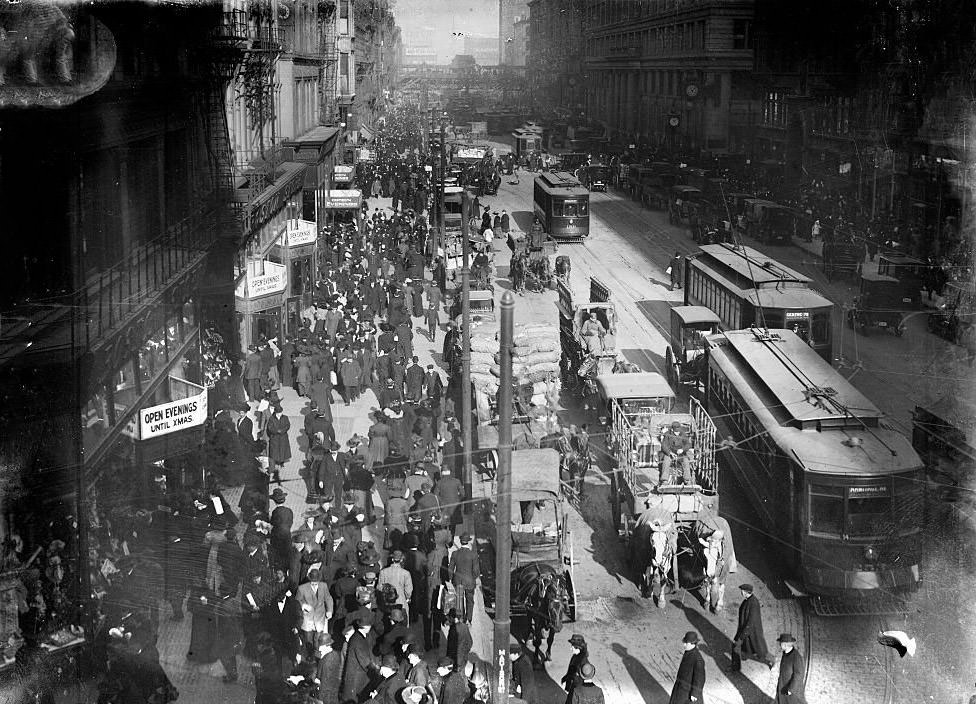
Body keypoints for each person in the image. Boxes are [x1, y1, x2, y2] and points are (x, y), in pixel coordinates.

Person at [731, 583, 773, 670]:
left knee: (737, 646)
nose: (741, 593)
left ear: (746, 592)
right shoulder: (748, 600)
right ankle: (743, 657)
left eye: (742, 591)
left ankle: (771, 660)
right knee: (753, 649)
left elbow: (751, 622)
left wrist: (742, 635)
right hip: (748, 631)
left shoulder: (753, 603)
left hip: (751, 633)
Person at [297, 568, 334, 654]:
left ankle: (318, 657)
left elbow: (328, 598)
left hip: (319, 619)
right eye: (312, 583)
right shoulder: (301, 588)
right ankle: (309, 657)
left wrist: (330, 610)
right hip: (307, 620)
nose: (314, 584)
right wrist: (303, 605)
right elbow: (297, 601)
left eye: (316, 583)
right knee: (308, 642)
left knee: (318, 641)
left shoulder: (324, 586)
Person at [449, 533, 480, 623]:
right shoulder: (473, 554)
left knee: (459, 601)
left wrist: (451, 579)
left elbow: (450, 568)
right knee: (470, 601)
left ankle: (461, 618)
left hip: (458, 581)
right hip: (469, 581)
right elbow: (476, 571)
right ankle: (469, 619)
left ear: (460, 542)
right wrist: (473, 578)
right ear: (469, 542)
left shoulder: (455, 554)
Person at [669, 631, 705, 704]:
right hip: (681, 688)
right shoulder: (688, 652)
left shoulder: (698, 659)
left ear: (693, 643)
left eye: (686, 643)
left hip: (688, 692)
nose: (684, 645)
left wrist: (694, 694)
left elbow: (700, 678)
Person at [775, 634, 807, 704]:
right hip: (783, 686)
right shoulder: (785, 652)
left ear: (785, 645)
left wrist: (791, 689)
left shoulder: (796, 657)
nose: (779, 645)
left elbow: (798, 674)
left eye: (781, 643)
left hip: (791, 691)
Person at [266, 404, 291, 484]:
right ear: (275, 413)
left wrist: (282, 431)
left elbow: (287, 426)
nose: (280, 414)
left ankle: (281, 462)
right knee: (274, 451)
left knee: (283, 450)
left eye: (281, 412)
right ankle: (273, 465)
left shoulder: (285, 417)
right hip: (275, 438)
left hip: (283, 437)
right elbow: (270, 428)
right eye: (278, 413)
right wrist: (277, 431)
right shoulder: (271, 419)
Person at [562, 634, 589, 704]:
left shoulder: (584, 662)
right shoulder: (575, 657)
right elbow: (571, 670)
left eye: (572, 647)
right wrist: (566, 677)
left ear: (578, 648)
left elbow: (586, 679)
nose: (570, 649)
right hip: (573, 687)